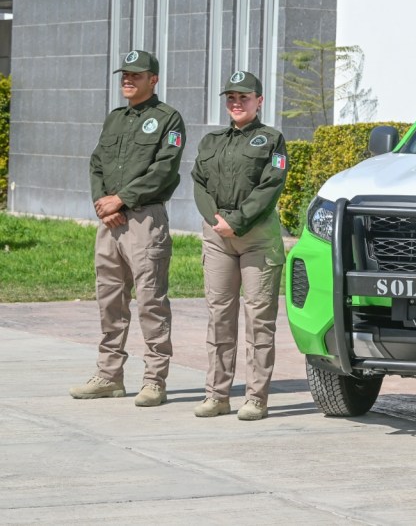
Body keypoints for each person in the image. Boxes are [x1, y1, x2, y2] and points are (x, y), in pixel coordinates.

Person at [71, 50, 185, 406]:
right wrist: (103, 205)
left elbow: (164, 170)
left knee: (150, 301)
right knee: (110, 300)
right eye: (125, 74)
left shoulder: (168, 119)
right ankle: (109, 375)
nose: (127, 80)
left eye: (136, 75)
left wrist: (121, 199)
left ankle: (154, 380)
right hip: (111, 222)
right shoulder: (115, 118)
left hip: (144, 220)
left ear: (153, 79)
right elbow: (96, 163)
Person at [191, 71, 287, 421]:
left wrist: (238, 220)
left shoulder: (271, 139)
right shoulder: (211, 141)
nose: (236, 102)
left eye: (243, 97)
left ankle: (256, 398)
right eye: (231, 97)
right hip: (218, 236)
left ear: (259, 101)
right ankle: (217, 395)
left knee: (259, 319)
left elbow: (270, 185)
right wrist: (215, 218)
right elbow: (198, 181)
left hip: (257, 237)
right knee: (219, 317)